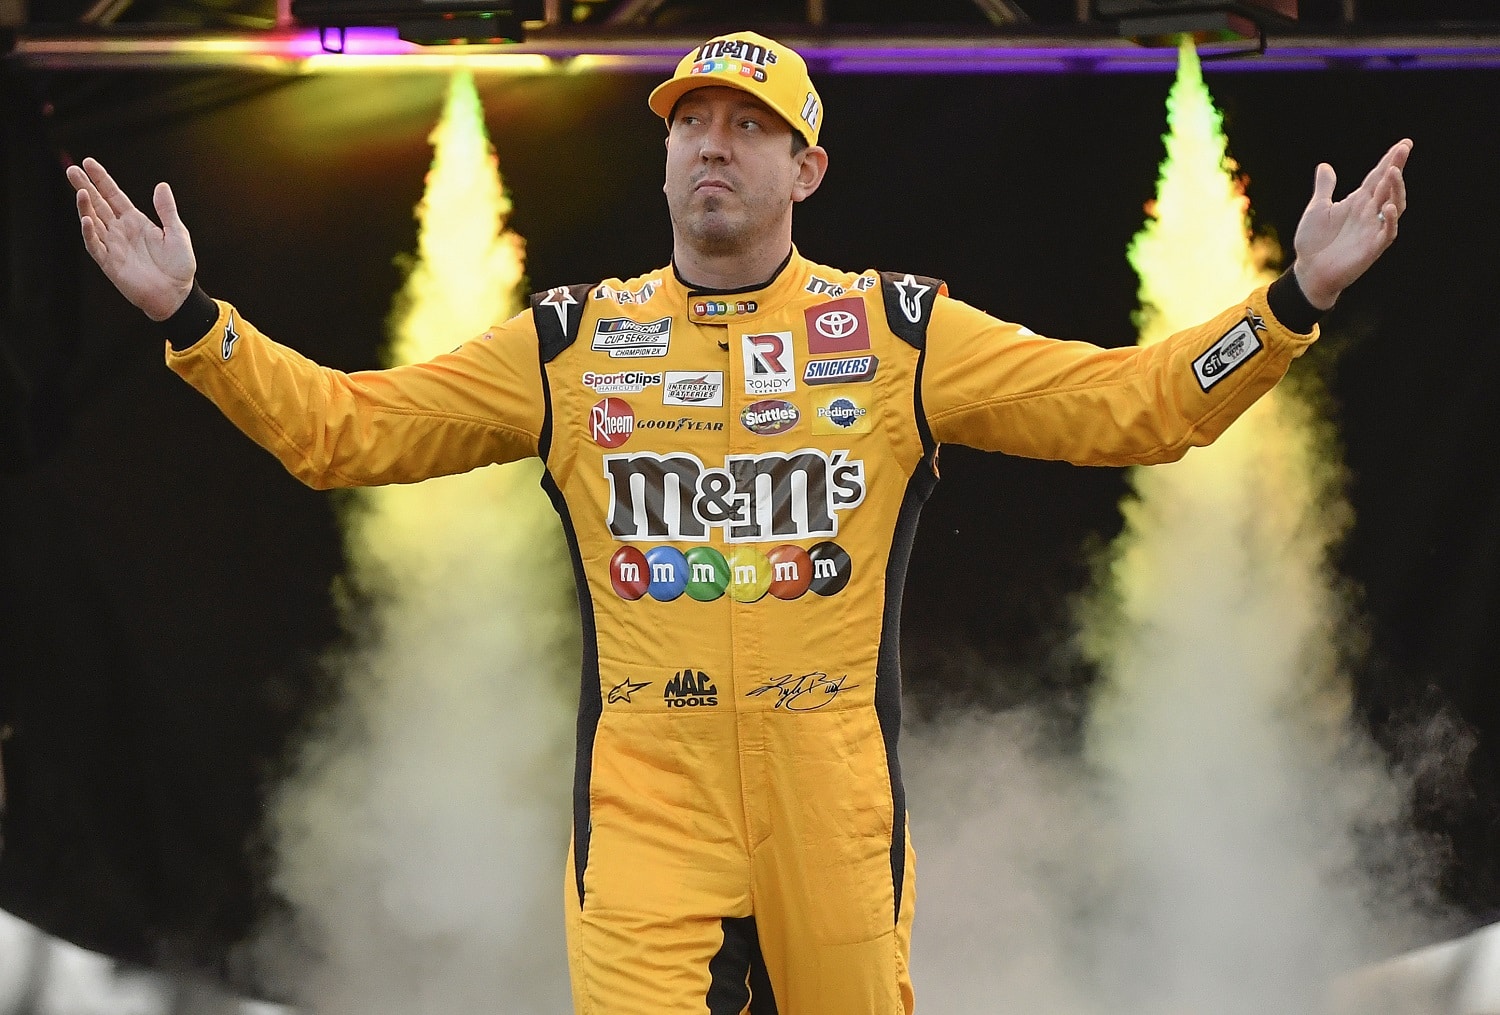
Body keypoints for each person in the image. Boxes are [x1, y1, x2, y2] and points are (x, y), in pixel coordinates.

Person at [67, 29, 1411, 1015]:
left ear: (805, 165)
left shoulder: (896, 330)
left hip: (831, 793)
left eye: (748, 124)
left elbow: (1139, 408)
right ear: (661, 158)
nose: (713, 142)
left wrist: (1288, 302)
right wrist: (193, 322)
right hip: (647, 796)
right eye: (689, 122)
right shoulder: (573, 342)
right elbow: (342, 434)